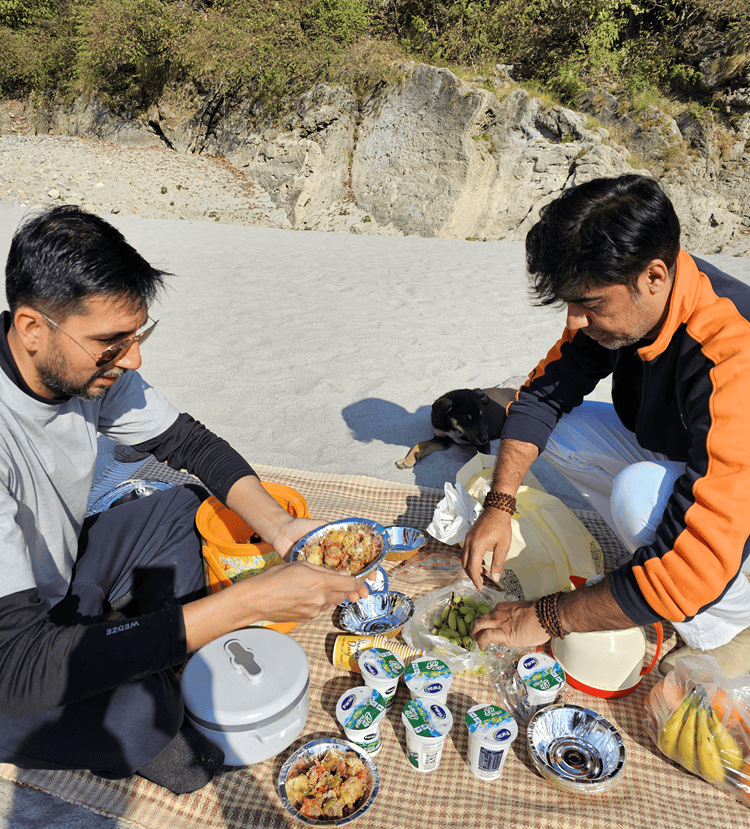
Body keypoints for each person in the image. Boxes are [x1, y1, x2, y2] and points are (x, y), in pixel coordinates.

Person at [0, 205, 368, 794]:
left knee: (180, 508)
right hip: (11, 661)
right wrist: (245, 604)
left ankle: (133, 644)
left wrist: (280, 530)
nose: (133, 359)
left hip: (57, 580)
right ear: (31, 328)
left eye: (138, 336)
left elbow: (188, 442)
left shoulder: (83, 367)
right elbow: (19, 668)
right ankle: (144, 671)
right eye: (111, 343)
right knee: (144, 720)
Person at [462, 174, 750, 678]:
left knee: (637, 496)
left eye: (588, 304)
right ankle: (652, 571)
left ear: (654, 277)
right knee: (553, 429)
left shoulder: (733, 355)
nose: (573, 320)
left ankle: (725, 624)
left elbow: (693, 564)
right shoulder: (631, 298)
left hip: (738, 506)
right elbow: (541, 397)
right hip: (692, 455)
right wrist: (500, 503)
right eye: (569, 302)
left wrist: (547, 616)